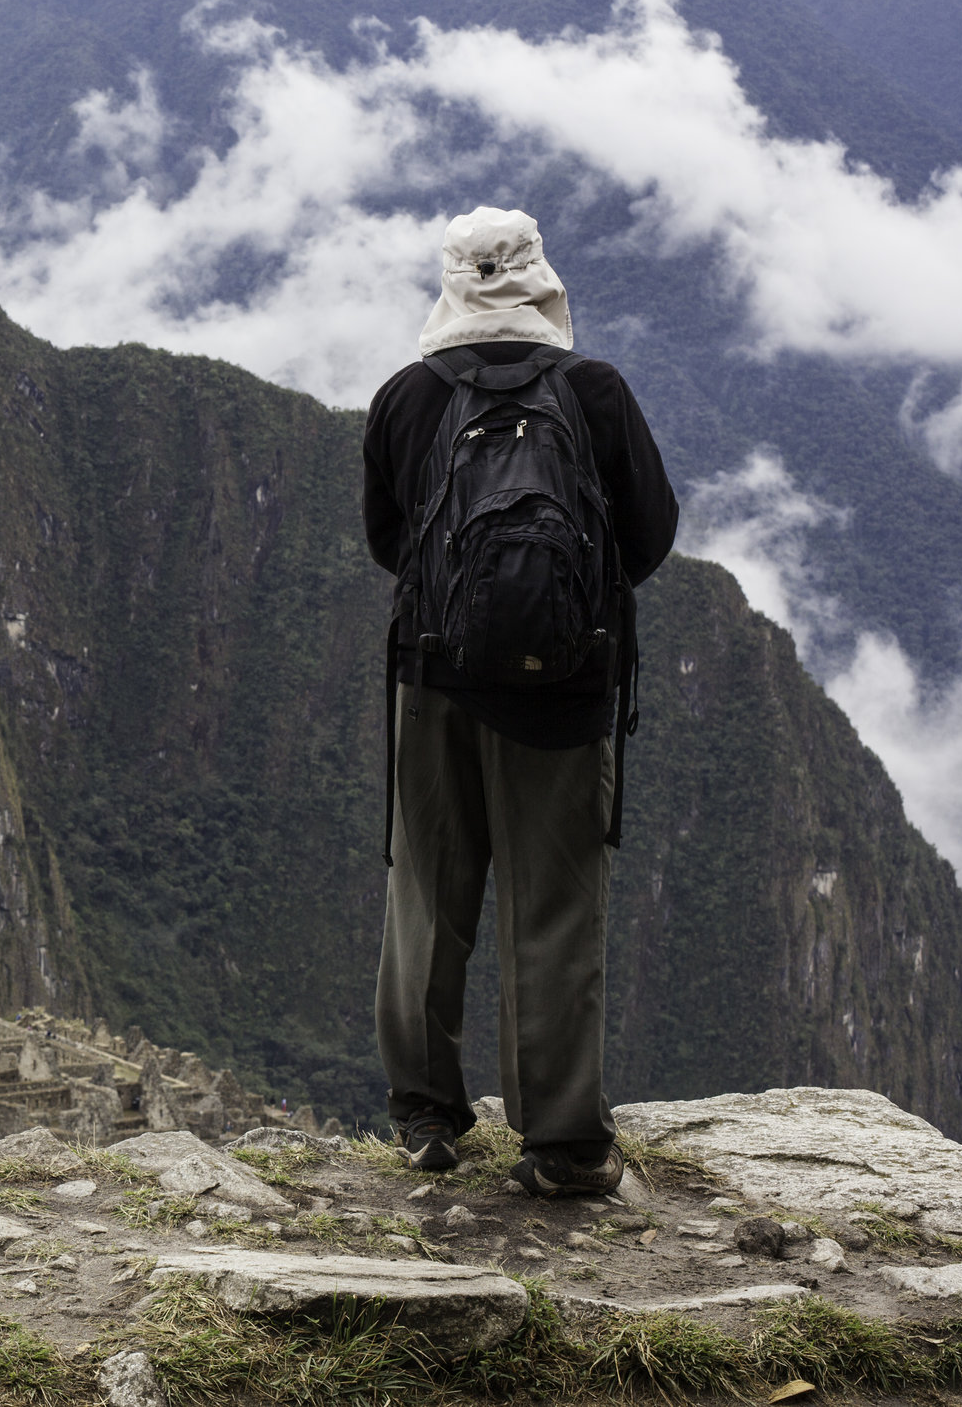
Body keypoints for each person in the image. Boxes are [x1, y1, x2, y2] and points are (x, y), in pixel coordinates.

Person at [363, 207, 677, 1200]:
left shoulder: (406, 397)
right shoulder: (593, 391)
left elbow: (387, 542)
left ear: (450, 284)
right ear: (540, 282)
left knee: (427, 895)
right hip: (565, 691)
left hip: (434, 680)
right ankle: (562, 1143)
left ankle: (424, 1113)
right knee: (553, 908)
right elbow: (650, 532)